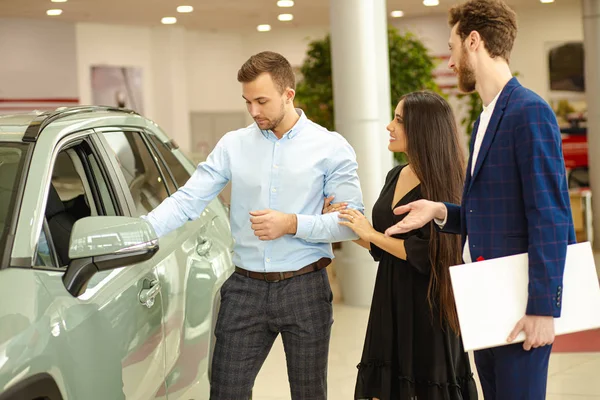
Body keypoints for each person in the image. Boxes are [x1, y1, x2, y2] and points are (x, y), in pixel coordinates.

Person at [143, 51, 364, 399]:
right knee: (227, 391)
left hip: (305, 286)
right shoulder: (233, 145)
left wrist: (293, 223)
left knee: (309, 393)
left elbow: (351, 224)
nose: (254, 111)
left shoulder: (330, 147)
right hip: (244, 289)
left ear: (288, 93)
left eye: (262, 101)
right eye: (248, 102)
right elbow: (188, 199)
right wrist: (142, 231)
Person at [384, 1, 575, 399]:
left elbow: (550, 216)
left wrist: (543, 309)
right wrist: (439, 211)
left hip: (520, 301)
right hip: (485, 298)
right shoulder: (485, 118)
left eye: (452, 47)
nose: (450, 61)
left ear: (474, 41)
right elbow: (490, 211)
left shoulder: (529, 112)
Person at [324, 91, 478, 400]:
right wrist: (346, 223)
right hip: (389, 299)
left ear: (422, 129)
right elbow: (381, 244)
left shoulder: (449, 182)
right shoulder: (396, 174)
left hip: (428, 307)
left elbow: (425, 252)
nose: (389, 126)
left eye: (399, 120)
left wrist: (370, 231)